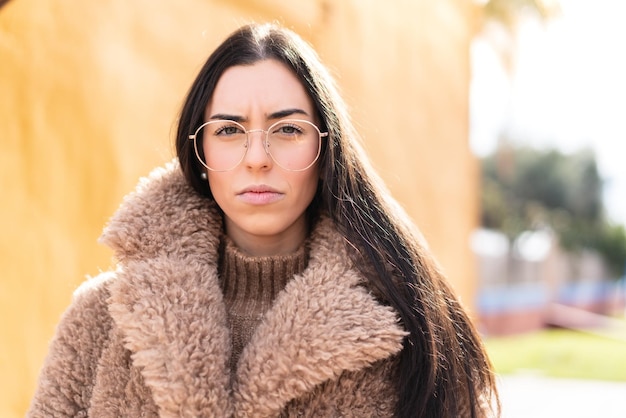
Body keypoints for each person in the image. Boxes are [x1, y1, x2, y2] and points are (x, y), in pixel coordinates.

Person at [28, 23, 499, 417]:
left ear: (326, 147)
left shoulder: (411, 326)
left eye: (288, 129)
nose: (257, 157)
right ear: (200, 150)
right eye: (229, 130)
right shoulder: (99, 318)